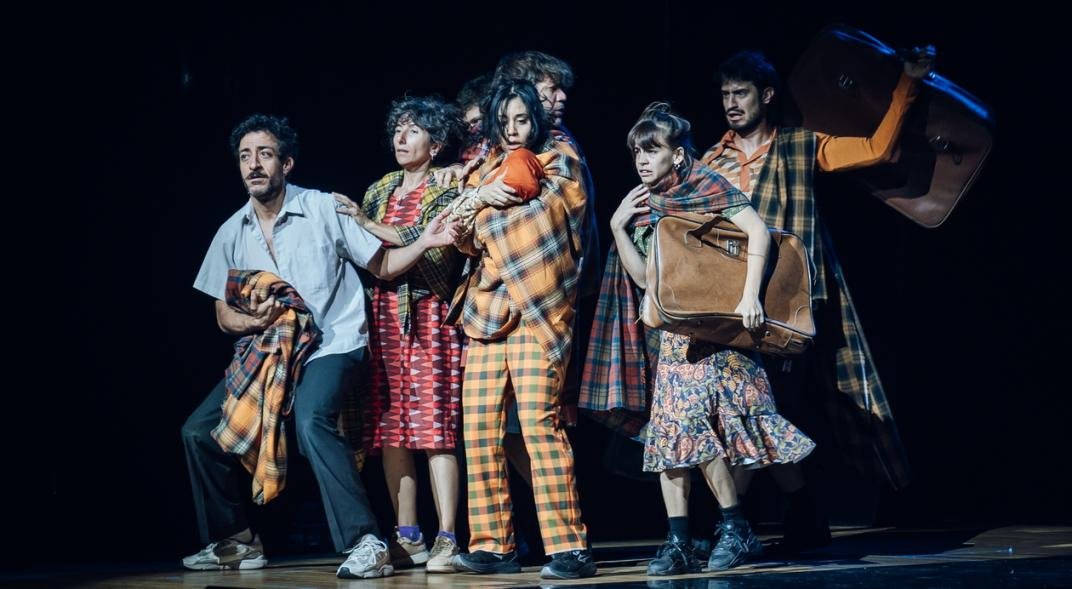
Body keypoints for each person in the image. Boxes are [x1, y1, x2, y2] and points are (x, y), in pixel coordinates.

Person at [182, 114, 459, 579]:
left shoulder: (322, 207)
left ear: (286, 163)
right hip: (272, 352)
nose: (254, 165)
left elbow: (382, 265)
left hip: (335, 342)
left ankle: (365, 541)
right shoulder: (232, 231)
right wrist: (255, 320)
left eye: (265, 154)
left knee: (312, 421)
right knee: (198, 431)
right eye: (245, 156)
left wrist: (424, 242)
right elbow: (223, 315)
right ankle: (238, 539)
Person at [701, 49, 933, 551]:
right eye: (724, 94)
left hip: (787, 303)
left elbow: (877, 149)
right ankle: (795, 516)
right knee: (754, 412)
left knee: (767, 408)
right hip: (731, 307)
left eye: (740, 93)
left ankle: (740, 523)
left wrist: (907, 85)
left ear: (766, 95)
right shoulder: (711, 162)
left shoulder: (801, 147)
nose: (731, 103)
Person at [615, 103, 815, 573]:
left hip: (724, 331)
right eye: (637, 152)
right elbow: (646, 280)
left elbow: (757, 232)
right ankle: (682, 539)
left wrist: (751, 296)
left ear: (677, 155)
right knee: (672, 436)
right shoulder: (647, 205)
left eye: (651, 150)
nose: (642, 160)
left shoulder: (706, 185)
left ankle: (750, 525)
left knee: (741, 431)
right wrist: (617, 227)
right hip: (675, 340)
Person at [448, 79, 596, 580]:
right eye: (504, 121)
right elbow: (457, 234)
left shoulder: (561, 162)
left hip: (539, 308)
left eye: (522, 120)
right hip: (488, 310)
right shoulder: (481, 171)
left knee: (538, 425)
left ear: (537, 120)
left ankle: (570, 548)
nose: (513, 130)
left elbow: (540, 222)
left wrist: (484, 207)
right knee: (478, 428)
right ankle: (493, 545)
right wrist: (479, 197)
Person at [333, 96, 465, 573]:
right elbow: (365, 252)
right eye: (397, 130)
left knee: (435, 430)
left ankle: (448, 536)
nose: (401, 139)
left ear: (437, 143)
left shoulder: (447, 187)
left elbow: (433, 246)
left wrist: (368, 225)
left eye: (413, 131)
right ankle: (408, 535)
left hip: (429, 316)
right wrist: (366, 228)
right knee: (392, 429)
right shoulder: (380, 188)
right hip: (385, 315)